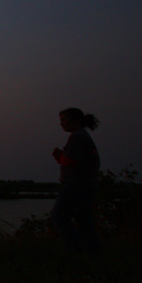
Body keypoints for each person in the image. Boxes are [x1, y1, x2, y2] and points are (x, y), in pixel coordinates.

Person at [51, 107, 101, 256]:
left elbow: (70, 161)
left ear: (76, 120)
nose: (62, 124)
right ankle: (92, 254)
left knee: (59, 218)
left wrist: (59, 155)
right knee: (85, 222)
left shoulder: (77, 137)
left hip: (77, 185)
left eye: (64, 120)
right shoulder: (83, 136)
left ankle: (76, 252)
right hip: (87, 185)